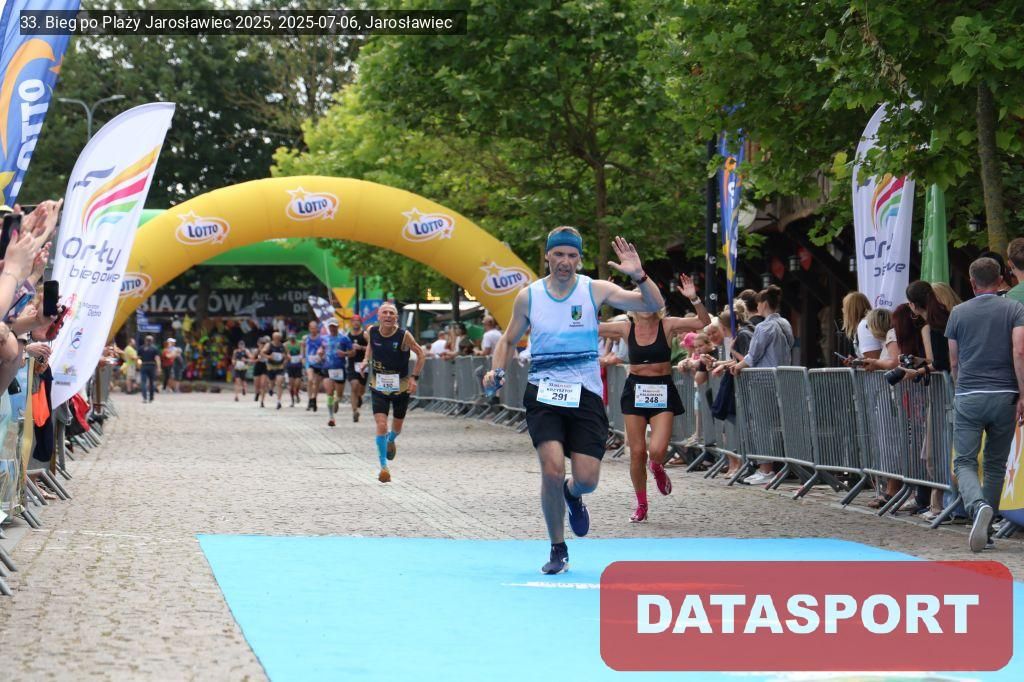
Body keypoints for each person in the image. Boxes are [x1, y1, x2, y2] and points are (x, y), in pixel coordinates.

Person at [483, 228, 664, 575]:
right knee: (551, 469)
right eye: (558, 254)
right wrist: (496, 370)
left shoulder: (594, 290)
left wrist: (639, 275)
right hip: (544, 392)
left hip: (585, 394)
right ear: (547, 256)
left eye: (571, 255)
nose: (565, 261)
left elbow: (653, 305)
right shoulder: (529, 297)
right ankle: (557, 547)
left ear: (579, 259)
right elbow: (507, 340)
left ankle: (573, 493)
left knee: (587, 479)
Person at [599, 273, 710, 522]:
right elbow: (591, 327)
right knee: (637, 452)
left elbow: (702, 322)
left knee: (657, 450)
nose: (646, 306)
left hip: (662, 389)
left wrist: (694, 298)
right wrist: (598, 300)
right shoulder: (625, 327)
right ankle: (641, 504)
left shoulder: (667, 325)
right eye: (641, 301)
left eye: (650, 301)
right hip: (635, 390)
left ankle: (657, 466)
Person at [946, 257, 1024, 552]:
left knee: (964, 461)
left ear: (972, 282)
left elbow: (954, 361)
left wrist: (959, 388)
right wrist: (1022, 393)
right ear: (1001, 278)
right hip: (1005, 394)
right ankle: (987, 531)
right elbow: (1019, 350)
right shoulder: (1015, 309)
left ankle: (977, 506)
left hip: (969, 393)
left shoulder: (958, 313)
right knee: (995, 464)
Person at [727, 285, 794, 485]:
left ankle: (766, 469)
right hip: (782, 378)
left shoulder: (764, 327)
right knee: (777, 424)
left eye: (758, 304)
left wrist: (737, 366)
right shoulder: (785, 323)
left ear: (763, 304)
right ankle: (773, 467)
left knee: (762, 425)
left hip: (762, 380)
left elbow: (753, 356)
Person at [362, 302, 426, 482]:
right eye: (385, 313)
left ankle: (391, 439)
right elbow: (371, 345)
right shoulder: (371, 331)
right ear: (379, 316)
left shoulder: (404, 335)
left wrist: (414, 377)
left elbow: (421, 354)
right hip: (378, 386)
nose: (388, 316)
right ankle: (384, 467)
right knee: (381, 424)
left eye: (392, 313)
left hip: (401, 387)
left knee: (397, 428)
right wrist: (366, 359)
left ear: (396, 318)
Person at [321, 320, 353, 427]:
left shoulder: (344, 338)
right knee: (329, 392)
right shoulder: (324, 338)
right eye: (330, 326)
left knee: (339, 394)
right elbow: (321, 349)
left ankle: (337, 400)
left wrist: (345, 353)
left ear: (337, 326)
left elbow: (353, 352)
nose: (332, 328)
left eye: (334, 326)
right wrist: (319, 352)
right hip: (327, 368)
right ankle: (331, 417)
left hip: (339, 369)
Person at [842, 292, 880, 359]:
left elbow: (872, 360)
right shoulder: (867, 323)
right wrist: (856, 361)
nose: (843, 310)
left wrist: (859, 362)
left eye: (845, 307)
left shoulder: (864, 325)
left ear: (852, 310)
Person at [347, 316, 368, 422]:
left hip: (363, 365)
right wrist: (349, 352)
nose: (356, 323)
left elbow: (372, 347)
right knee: (354, 385)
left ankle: (359, 396)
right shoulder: (347, 336)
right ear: (351, 322)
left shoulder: (365, 334)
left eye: (358, 321)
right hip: (352, 364)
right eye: (354, 321)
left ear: (360, 322)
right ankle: (355, 411)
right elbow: (343, 348)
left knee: (361, 389)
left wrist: (361, 348)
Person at [303, 321, 325, 412]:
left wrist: (322, 355)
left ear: (317, 328)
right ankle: (309, 399)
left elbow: (325, 349)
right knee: (310, 379)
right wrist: (303, 358)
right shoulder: (306, 338)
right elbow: (303, 349)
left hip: (319, 363)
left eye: (315, 328)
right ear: (309, 328)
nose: (313, 330)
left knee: (316, 383)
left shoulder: (321, 339)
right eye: (311, 328)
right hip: (309, 362)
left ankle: (314, 399)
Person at [265, 331, 288, 410]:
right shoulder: (269, 345)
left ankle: (278, 401)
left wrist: (285, 360)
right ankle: (271, 389)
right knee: (271, 383)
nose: (277, 339)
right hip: (271, 367)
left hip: (280, 367)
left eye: (278, 338)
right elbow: (262, 353)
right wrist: (269, 357)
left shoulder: (283, 346)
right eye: (276, 338)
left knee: (279, 383)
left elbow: (287, 355)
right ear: (273, 338)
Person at [138, 335, 159, 403]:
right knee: (151, 382)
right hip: (152, 366)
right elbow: (157, 358)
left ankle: (145, 398)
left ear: (145, 340)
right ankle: (151, 398)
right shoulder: (154, 348)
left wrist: (138, 366)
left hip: (144, 365)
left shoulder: (141, 348)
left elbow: (138, 358)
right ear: (152, 341)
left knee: (143, 382)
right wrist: (159, 367)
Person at [285, 332, 304, 407]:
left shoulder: (300, 343)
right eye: (291, 338)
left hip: (298, 366)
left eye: (293, 338)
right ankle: (292, 400)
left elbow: (302, 352)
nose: (292, 339)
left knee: (297, 385)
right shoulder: (286, 344)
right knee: (291, 385)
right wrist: (288, 356)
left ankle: (297, 394)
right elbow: (287, 353)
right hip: (290, 366)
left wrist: (301, 357)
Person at [252, 336, 269, 406]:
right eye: (261, 343)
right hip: (257, 366)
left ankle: (262, 401)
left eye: (264, 343)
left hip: (264, 366)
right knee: (257, 384)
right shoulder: (256, 350)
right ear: (258, 343)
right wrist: (257, 358)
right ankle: (257, 393)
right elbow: (252, 360)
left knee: (263, 384)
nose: (262, 344)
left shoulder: (267, 350)